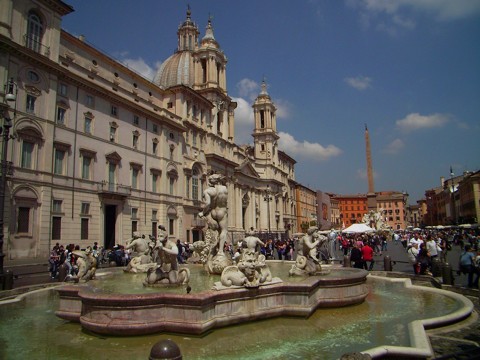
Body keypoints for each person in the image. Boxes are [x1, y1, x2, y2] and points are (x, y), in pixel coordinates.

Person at [198, 173, 228, 257]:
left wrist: (202, 213)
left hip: (213, 212)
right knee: (223, 231)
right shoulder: (225, 189)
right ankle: (220, 251)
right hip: (222, 211)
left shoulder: (208, 191)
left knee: (213, 230)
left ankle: (213, 250)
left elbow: (207, 203)